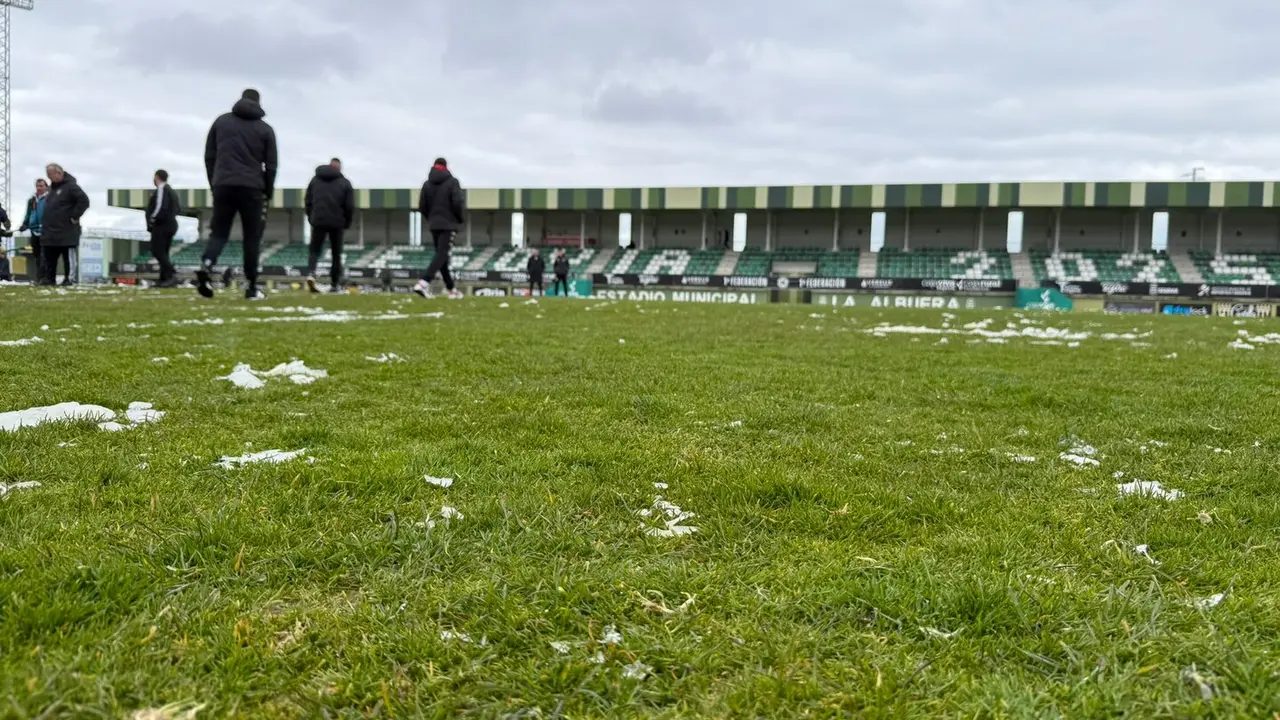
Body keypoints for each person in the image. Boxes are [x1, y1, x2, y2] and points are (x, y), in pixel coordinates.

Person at [199, 88, 278, 300]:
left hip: (223, 184)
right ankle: (251, 285)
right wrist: (267, 192)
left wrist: (215, 183)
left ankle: (207, 263)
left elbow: (209, 156)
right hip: (252, 187)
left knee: (219, 232)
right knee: (252, 237)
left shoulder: (221, 122)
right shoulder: (265, 130)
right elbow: (271, 165)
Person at [412, 157, 465, 300]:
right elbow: (457, 202)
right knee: (442, 255)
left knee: (442, 257)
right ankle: (423, 282)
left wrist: (431, 218)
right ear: (446, 166)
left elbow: (422, 205)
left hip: (434, 224)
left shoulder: (427, 184)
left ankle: (451, 289)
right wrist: (459, 219)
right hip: (448, 224)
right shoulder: (453, 182)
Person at [303, 157, 354, 293]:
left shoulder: (315, 180)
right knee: (336, 254)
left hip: (318, 220)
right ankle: (334, 283)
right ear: (339, 168)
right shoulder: (345, 183)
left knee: (314, 249)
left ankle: (311, 273)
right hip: (337, 223)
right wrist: (347, 222)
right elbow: (349, 206)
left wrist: (311, 217)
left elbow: (308, 200)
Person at [39, 164, 89, 286]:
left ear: (59, 173)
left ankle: (69, 278)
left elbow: (84, 201)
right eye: (48, 176)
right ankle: (49, 278)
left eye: (51, 175)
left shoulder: (71, 187)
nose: (50, 178)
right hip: (50, 232)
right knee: (50, 257)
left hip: (67, 231)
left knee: (68, 257)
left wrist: (75, 216)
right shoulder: (52, 190)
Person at [146, 169, 182, 287]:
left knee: (157, 251)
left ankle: (171, 273)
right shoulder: (171, 191)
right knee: (164, 252)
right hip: (171, 224)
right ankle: (164, 279)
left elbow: (160, 205)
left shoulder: (162, 189)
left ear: (157, 177)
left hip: (163, 224)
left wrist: (152, 218)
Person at [18, 178, 48, 282]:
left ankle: (44, 277)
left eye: (41, 186)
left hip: (46, 230)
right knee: (37, 254)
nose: (39, 188)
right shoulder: (32, 200)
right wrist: (24, 224)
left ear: (46, 187)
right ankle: (39, 277)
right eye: (37, 186)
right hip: (34, 230)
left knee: (44, 255)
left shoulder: (49, 199)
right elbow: (28, 213)